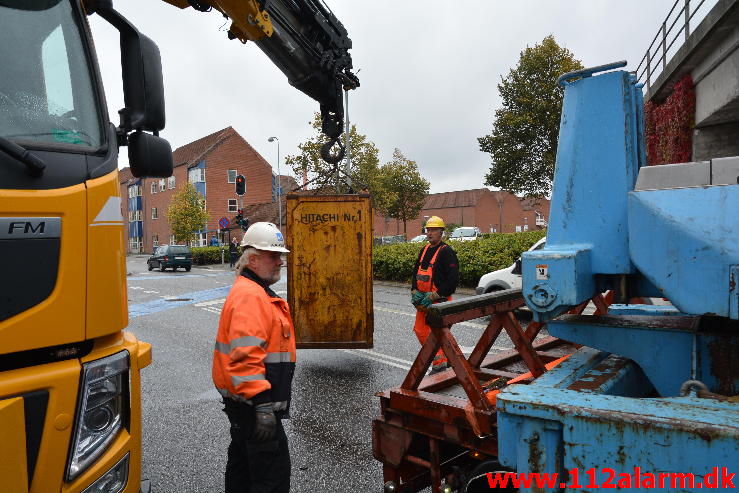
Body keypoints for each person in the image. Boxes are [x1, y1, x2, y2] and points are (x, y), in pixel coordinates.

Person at [212, 222, 295, 493]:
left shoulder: (254, 292)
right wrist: (262, 407)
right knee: (271, 479)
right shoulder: (251, 296)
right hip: (255, 407)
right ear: (253, 258)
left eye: (280, 256)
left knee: (243, 471)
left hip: (245, 406)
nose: (279, 262)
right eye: (273, 256)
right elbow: (246, 356)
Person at [410, 216, 459, 374]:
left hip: (440, 300)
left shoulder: (447, 252)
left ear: (441, 232)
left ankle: (439, 363)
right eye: (428, 230)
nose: (430, 233)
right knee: (421, 330)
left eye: (434, 230)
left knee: (438, 332)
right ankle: (453, 359)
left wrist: (434, 295)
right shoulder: (424, 250)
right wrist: (414, 291)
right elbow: (415, 272)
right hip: (423, 300)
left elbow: (452, 280)